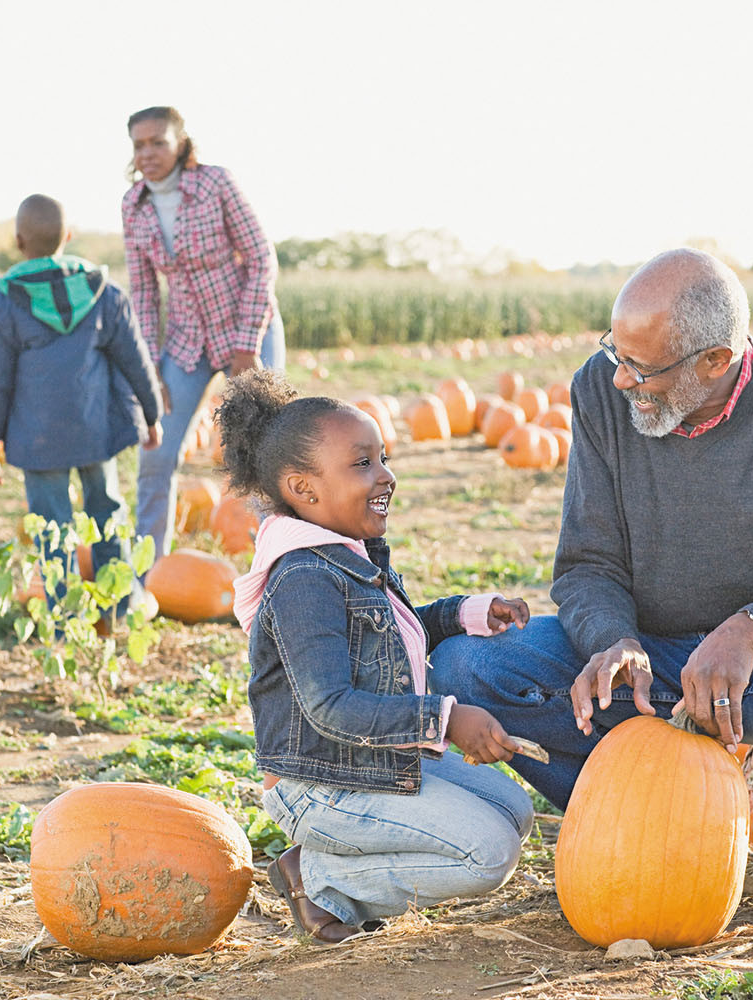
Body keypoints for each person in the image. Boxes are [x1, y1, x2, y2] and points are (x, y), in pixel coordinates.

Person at [431, 248, 753, 911]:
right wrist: (614, 639)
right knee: (466, 668)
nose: (620, 381)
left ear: (715, 361)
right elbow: (589, 564)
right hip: (650, 669)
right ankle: (636, 813)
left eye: (642, 367)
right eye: (616, 353)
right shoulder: (600, 392)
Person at [220, 369, 534, 942]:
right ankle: (319, 877)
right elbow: (330, 706)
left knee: (515, 813)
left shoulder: (348, 553)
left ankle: (334, 870)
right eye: (363, 464)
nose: (386, 475)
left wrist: (466, 613)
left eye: (383, 457)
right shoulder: (303, 579)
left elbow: (389, 636)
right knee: (487, 855)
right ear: (304, 489)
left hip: (370, 760)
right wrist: (445, 719)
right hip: (319, 784)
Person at [0, 194, 163, 619]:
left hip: (38, 440)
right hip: (97, 429)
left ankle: (64, 622)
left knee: (52, 528)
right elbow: (137, 359)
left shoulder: (2, 303)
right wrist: (151, 414)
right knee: (108, 513)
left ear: (19, 241)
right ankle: (118, 611)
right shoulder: (103, 293)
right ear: (69, 236)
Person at [122, 105, 284, 559]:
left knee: (264, 448)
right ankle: (146, 569)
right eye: (139, 145)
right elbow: (144, 292)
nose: (148, 153)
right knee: (155, 447)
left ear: (180, 143)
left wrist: (246, 343)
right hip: (187, 341)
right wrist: (149, 366)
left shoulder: (215, 183)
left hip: (247, 326)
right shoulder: (133, 207)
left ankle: (277, 560)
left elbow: (260, 258)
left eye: (158, 142)